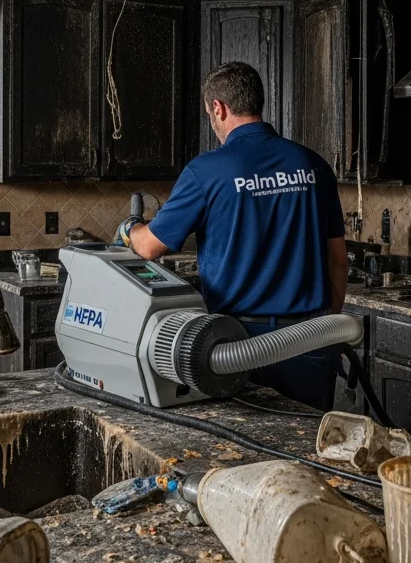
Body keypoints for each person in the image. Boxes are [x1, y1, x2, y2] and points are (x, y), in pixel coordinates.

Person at [122, 61, 349, 410]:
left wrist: (130, 228)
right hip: (310, 340)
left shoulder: (206, 171)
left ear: (218, 108)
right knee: (308, 454)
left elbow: (150, 247)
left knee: (239, 454)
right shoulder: (313, 165)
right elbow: (337, 260)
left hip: (235, 343)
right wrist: (321, 327)